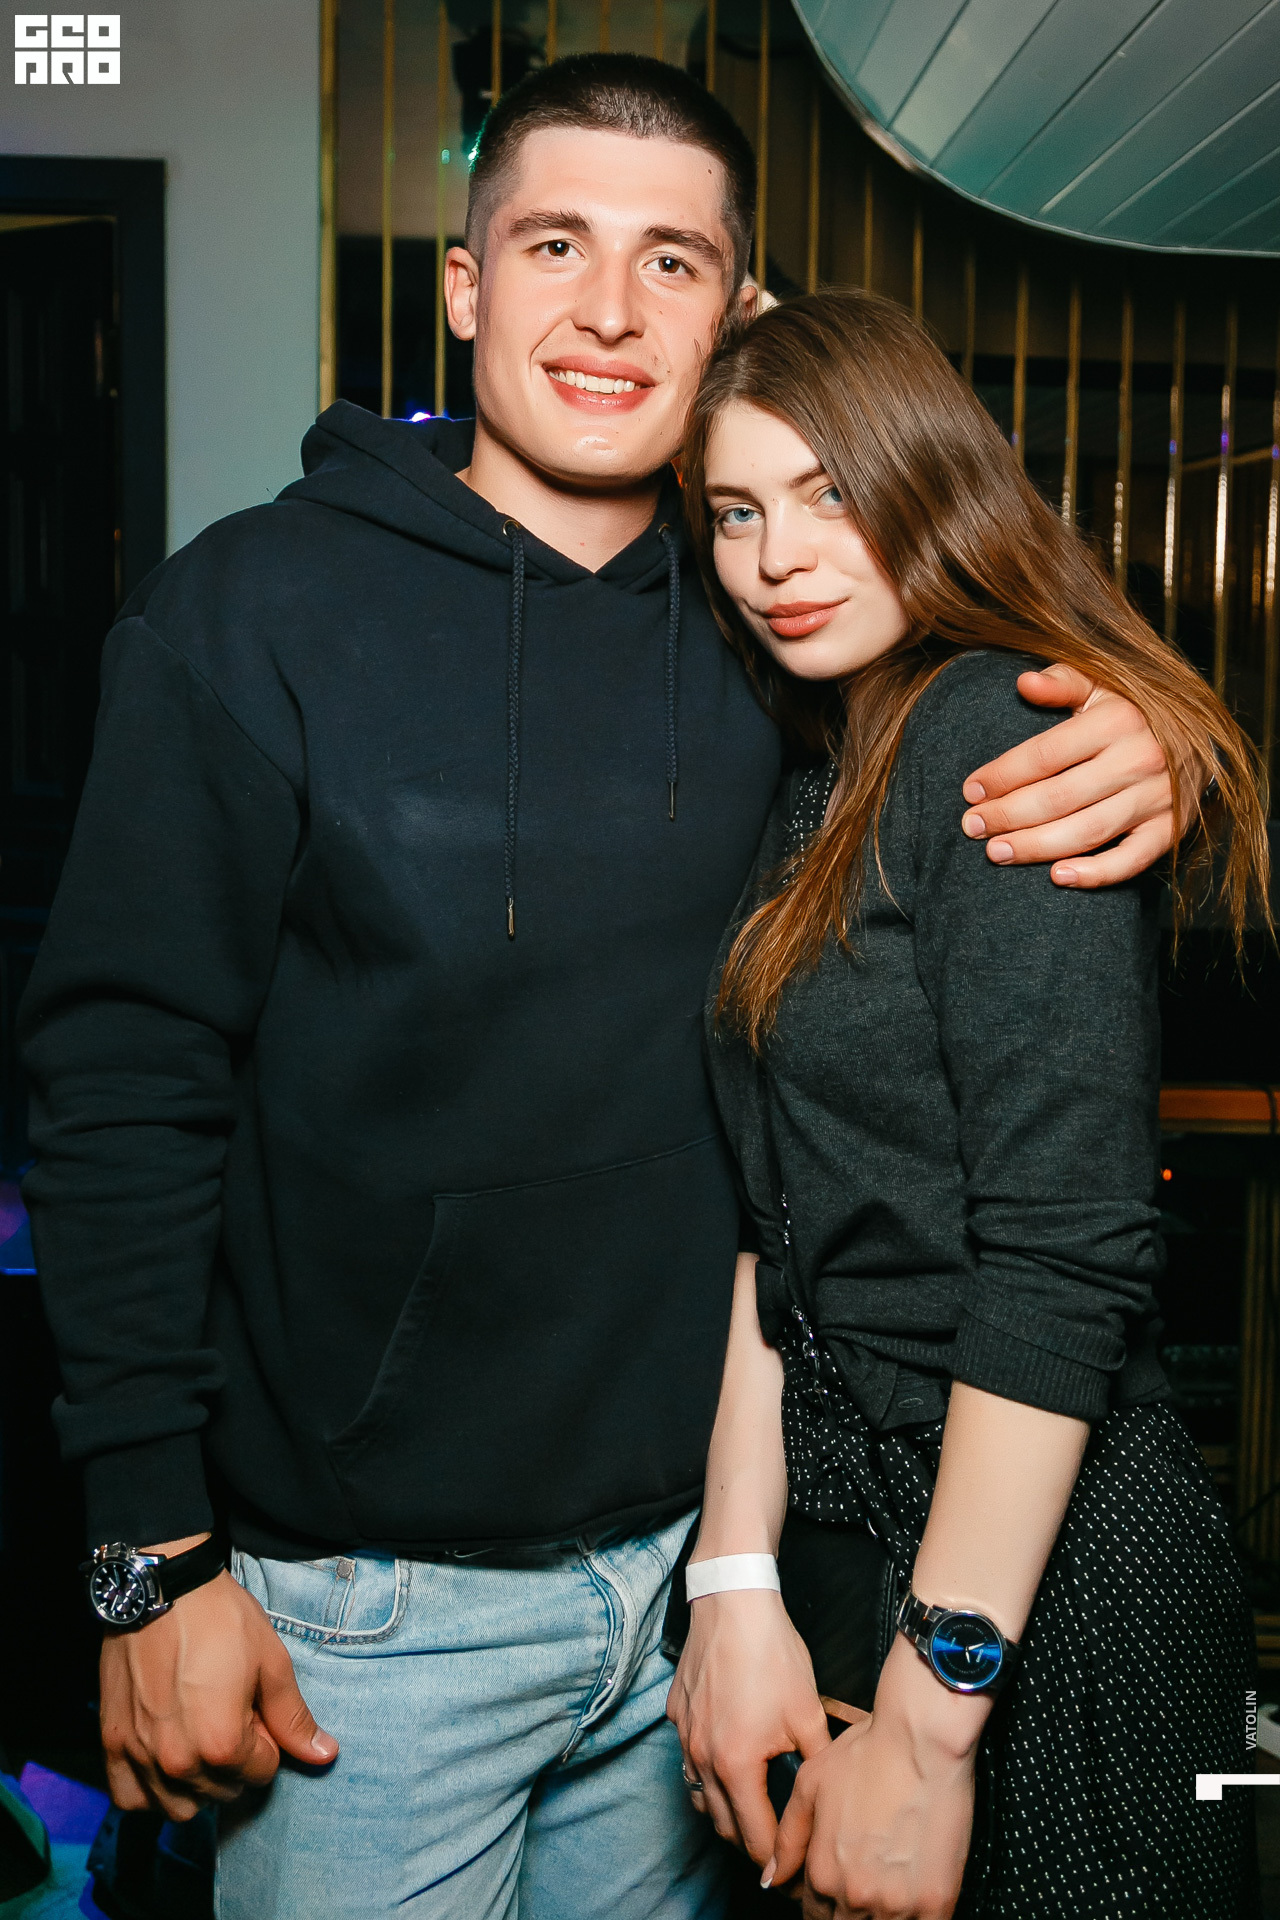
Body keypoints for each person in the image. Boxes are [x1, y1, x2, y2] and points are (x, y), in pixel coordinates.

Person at [20, 57, 1196, 1920]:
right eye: (555, 243)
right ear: (466, 282)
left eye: (673, 262)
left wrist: (1144, 744)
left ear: (737, 315)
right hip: (374, 1616)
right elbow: (120, 1091)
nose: (609, 311)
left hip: (721, 1590)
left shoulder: (771, 632)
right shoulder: (244, 615)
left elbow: (967, 718)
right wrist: (149, 1554)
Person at [667, 287, 1268, 1919]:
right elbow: (775, 1231)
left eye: (830, 492)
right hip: (871, 1541)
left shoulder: (1000, 732)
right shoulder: (826, 765)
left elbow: (1064, 1255)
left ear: (927, 482)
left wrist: (934, 1724)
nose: (778, 557)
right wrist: (735, 1577)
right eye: (737, 511)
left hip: (1044, 1584)